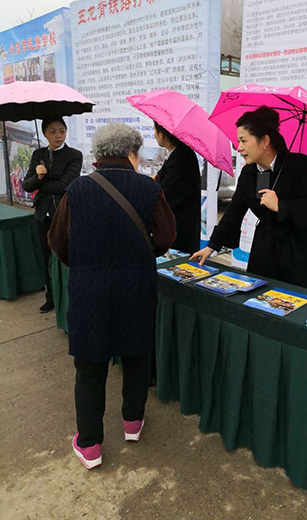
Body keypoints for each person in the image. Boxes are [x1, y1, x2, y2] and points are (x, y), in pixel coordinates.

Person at [48, 123, 176, 469]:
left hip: (89, 288)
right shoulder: (148, 188)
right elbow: (166, 236)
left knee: (90, 366)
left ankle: (90, 445)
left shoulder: (77, 189)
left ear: (99, 154)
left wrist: (85, 264)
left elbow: (57, 241)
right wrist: (141, 251)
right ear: (132, 153)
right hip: (136, 285)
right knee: (136, 353)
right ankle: (133, 422)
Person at [191, 106, 307, 295]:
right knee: (260, 301)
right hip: (265, 252)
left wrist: (281, 206)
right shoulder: (249, 173)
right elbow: (234, 211)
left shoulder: (299, 165)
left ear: (264, 141)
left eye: (243, 141)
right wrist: (211, 246)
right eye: (238, 141)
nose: (239, 148)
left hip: (298, 254)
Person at [22, 116, 82, 312]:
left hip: (63, 213)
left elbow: (65, 185)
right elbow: (27, 185)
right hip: (42, 214)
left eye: (62, 131)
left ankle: (69, 295)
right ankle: (51, 297)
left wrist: (41, 183)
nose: (58, 135)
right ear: (45, 134)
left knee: (65, 255)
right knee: (45, 256)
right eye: (53, 132)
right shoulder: (38, 154)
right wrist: (38, 176)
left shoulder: (74, 155)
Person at [153, 121, 201, 253]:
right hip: (178, 224)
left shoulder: (182, 157)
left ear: (161, 134)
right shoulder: (176, 154)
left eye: (155, 130)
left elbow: (168, 192)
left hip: (180, 228)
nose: (154, 135)